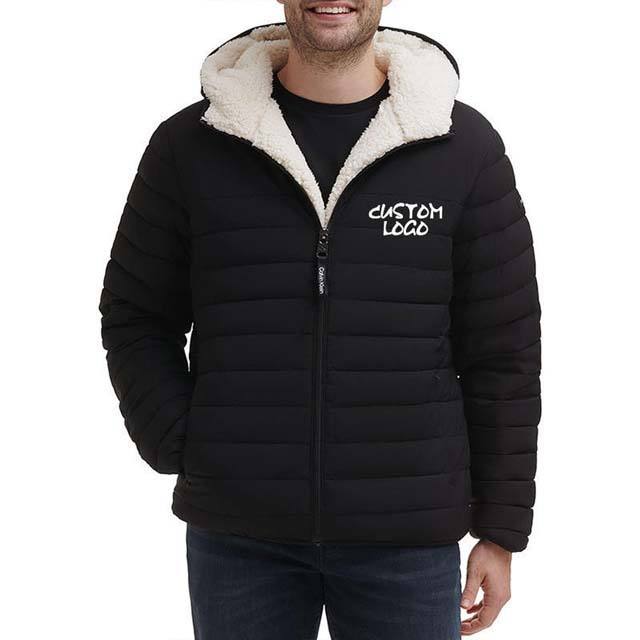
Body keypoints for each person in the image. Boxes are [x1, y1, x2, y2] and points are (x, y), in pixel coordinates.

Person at [98, 1, 542, 638]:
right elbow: (136, 314)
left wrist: (500, 528)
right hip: (240, 536)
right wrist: (181, 440)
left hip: (408, 538)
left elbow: (504, 349)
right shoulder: (190, 146)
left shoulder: (461, 146)